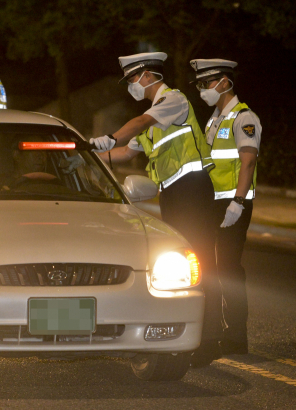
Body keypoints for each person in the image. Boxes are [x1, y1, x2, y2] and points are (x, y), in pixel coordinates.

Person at [80, 52, 222, 366]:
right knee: (182, 266)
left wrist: (107, 138)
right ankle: (188, 337)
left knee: (201, 265)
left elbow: (137, 125)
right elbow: (123, 153)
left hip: (193, 190)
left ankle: (210, 341)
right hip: (172, 194)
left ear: (148, 75)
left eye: (132, 78)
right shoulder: (153, 120)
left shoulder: (173, 101)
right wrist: (85, 153)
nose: (131, 85)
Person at [190, 59, 261, 356]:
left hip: (233, 202)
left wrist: (238, 202)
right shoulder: (216, 118)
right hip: (213, 202)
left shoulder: (245, 117)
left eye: (206, 84)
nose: (203, 90)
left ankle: (235, 338)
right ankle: (215, 333)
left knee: (229, 269)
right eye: (199, 85)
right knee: (210, 268)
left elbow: (248, 161)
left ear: (224, 82)